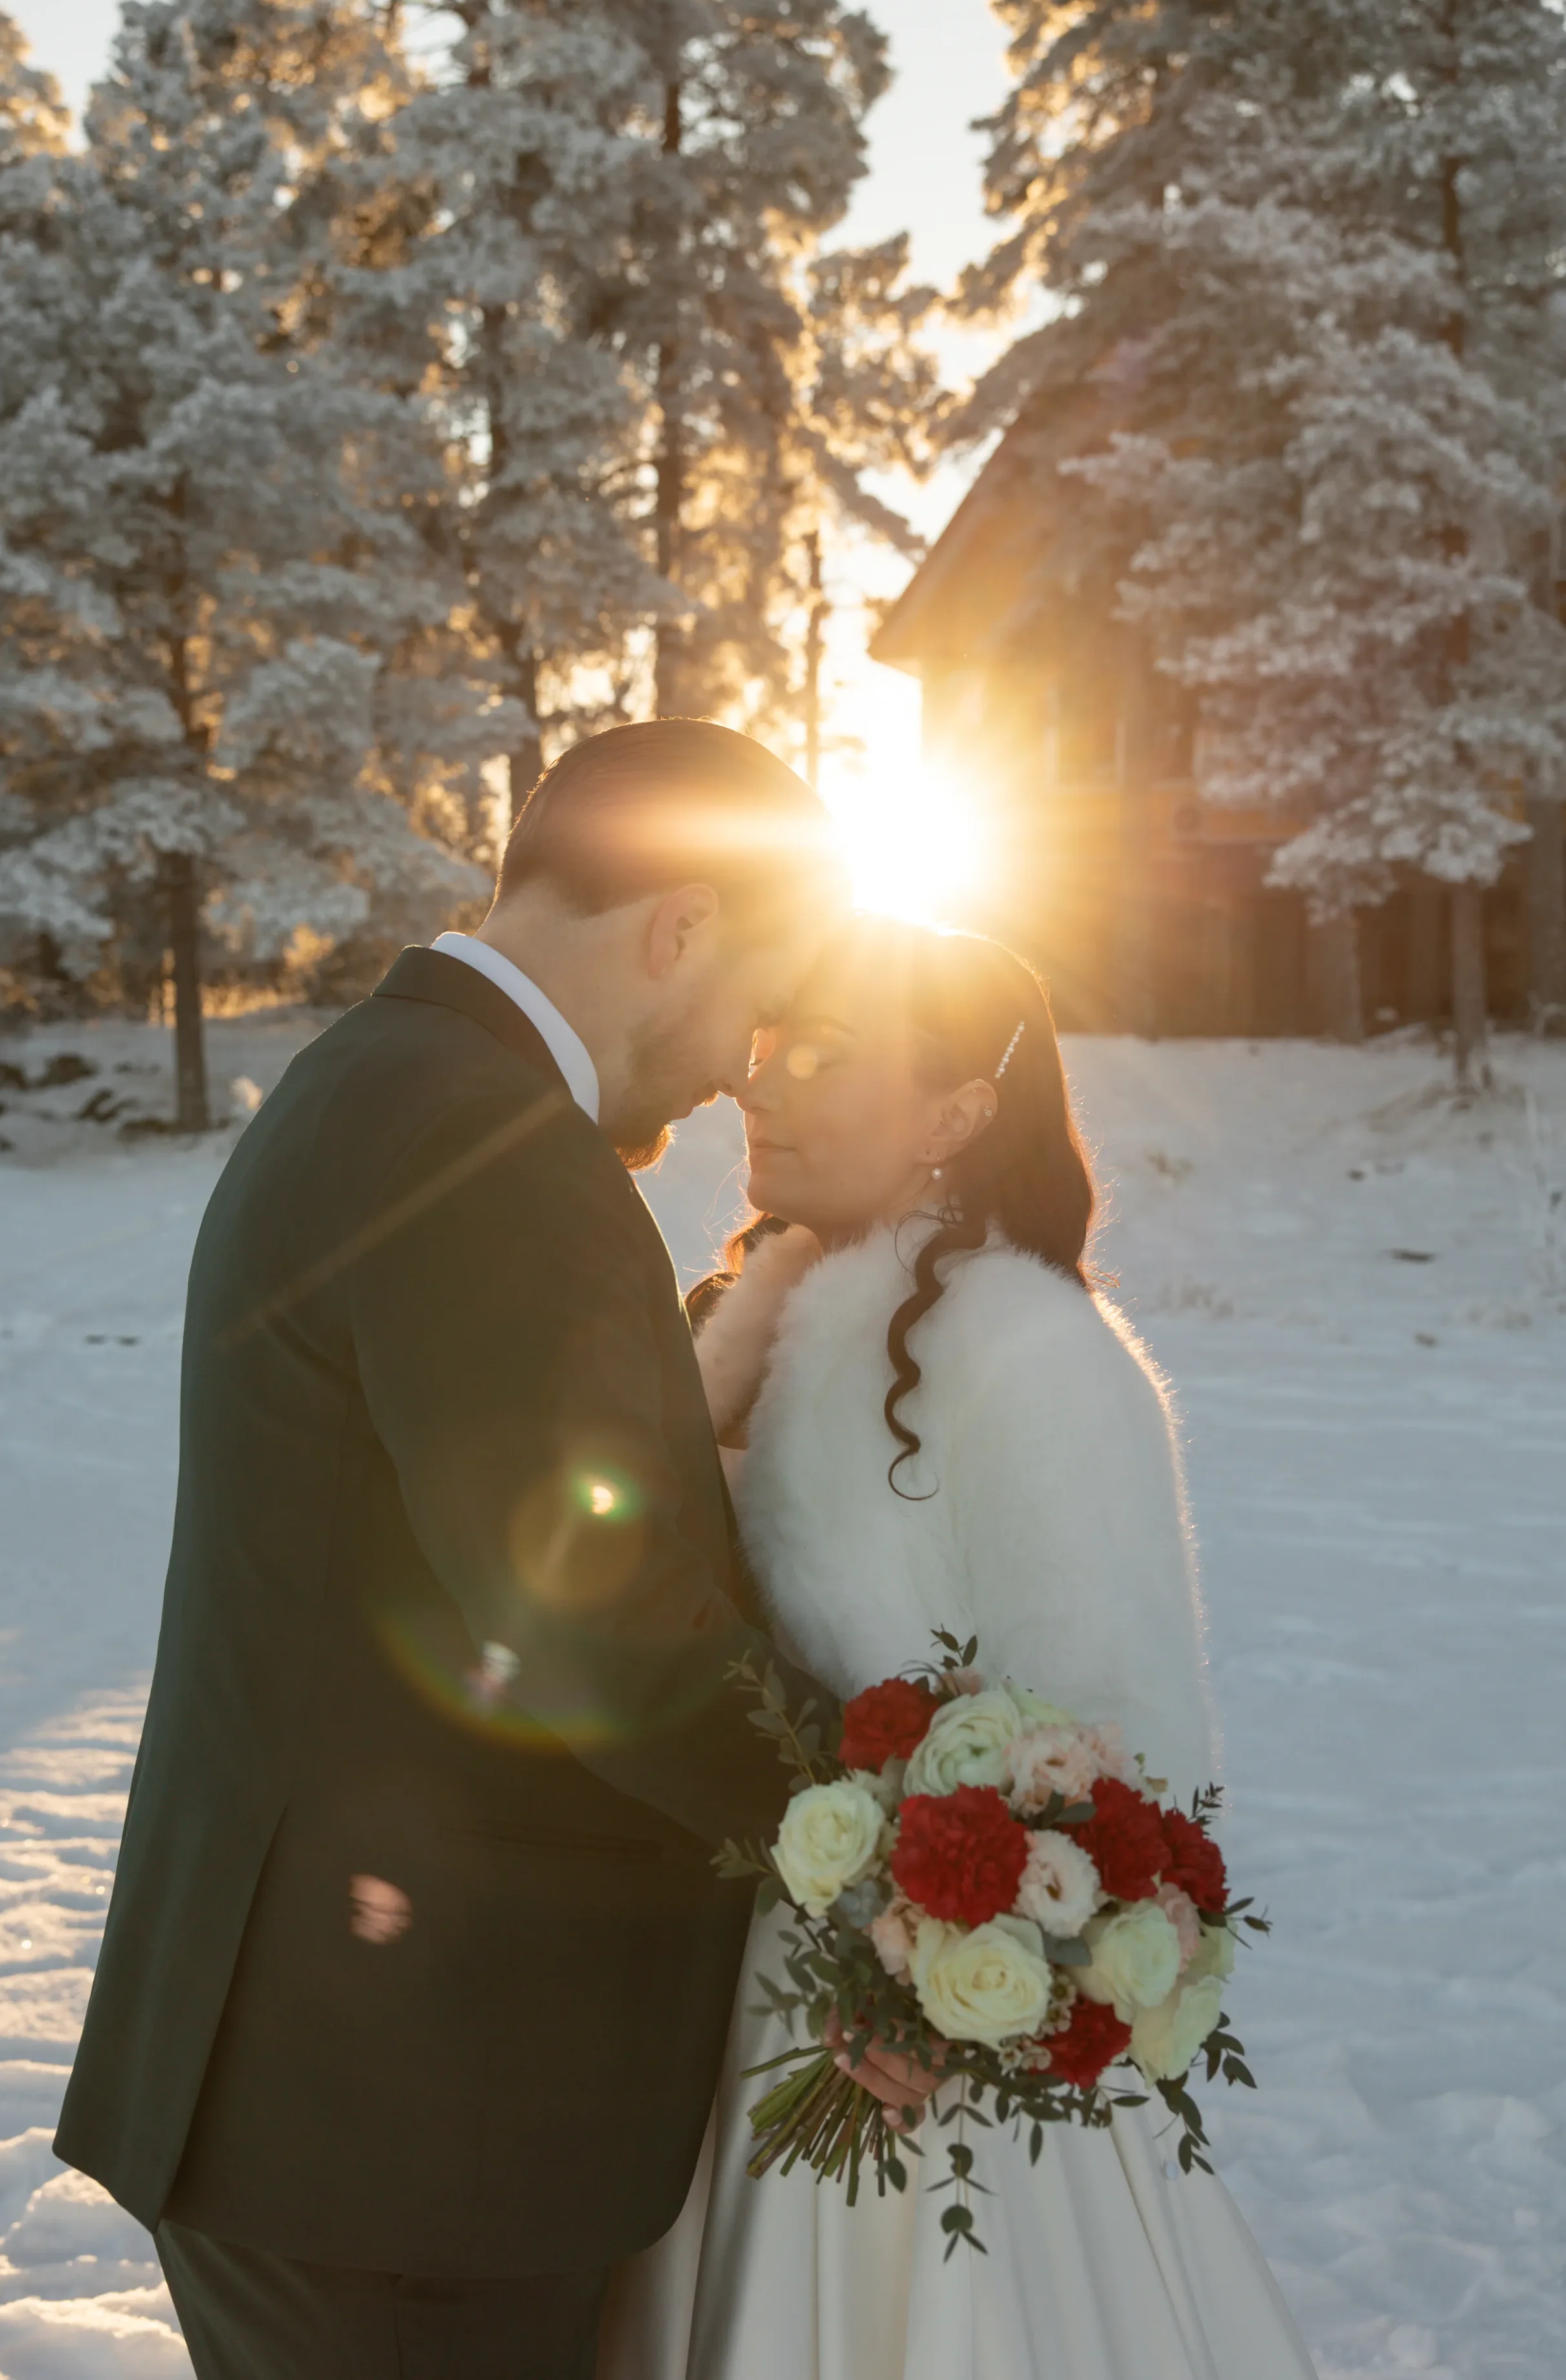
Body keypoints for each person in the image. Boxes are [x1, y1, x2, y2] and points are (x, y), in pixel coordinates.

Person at [54, 718, 911, 2380]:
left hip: (334, 2094)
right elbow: (598, 1620)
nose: (742, 1065)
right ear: (678, 926)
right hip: (399, 2133)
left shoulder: (388, 1079)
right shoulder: (485, 1140)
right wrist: (881, 1843)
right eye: (755, 999)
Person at [600, 915, 1317, 2380]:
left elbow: (1121, 1739)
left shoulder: (1030, 1351)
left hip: (926, 2053)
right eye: (764, 1046)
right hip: (750, 1997)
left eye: (821, 1054)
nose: (759, 1083)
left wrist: (962, 1988)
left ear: (957, 1113)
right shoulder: (762, 1329)